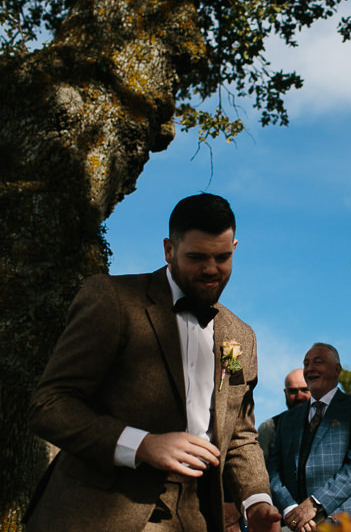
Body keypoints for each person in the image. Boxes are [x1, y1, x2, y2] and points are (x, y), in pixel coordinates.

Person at [26, 193, 282, 532]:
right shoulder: (113, 300)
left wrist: (257, 500)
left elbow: (239, 435)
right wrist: (142, 444)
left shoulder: (241, 336)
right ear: (168, 250)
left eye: (222, 257)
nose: (211, 270)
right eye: (196, 257)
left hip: (197, 518)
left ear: (235, 246)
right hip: (102, 512)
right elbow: (49, 405)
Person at [268, 343, 351, 532]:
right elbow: (273, 469)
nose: (310, 368)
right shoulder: (287, 420)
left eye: (318, 362)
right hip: (300, 526)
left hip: (350, 523)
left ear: (337, 369)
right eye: (306, 363)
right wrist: (290, 508)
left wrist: (315, 503)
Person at [258, 369, 311, 462]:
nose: (299, 397)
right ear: (285, 393)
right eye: (293, 391)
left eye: (304, 390)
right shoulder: (269, 428)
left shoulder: (329, 424)